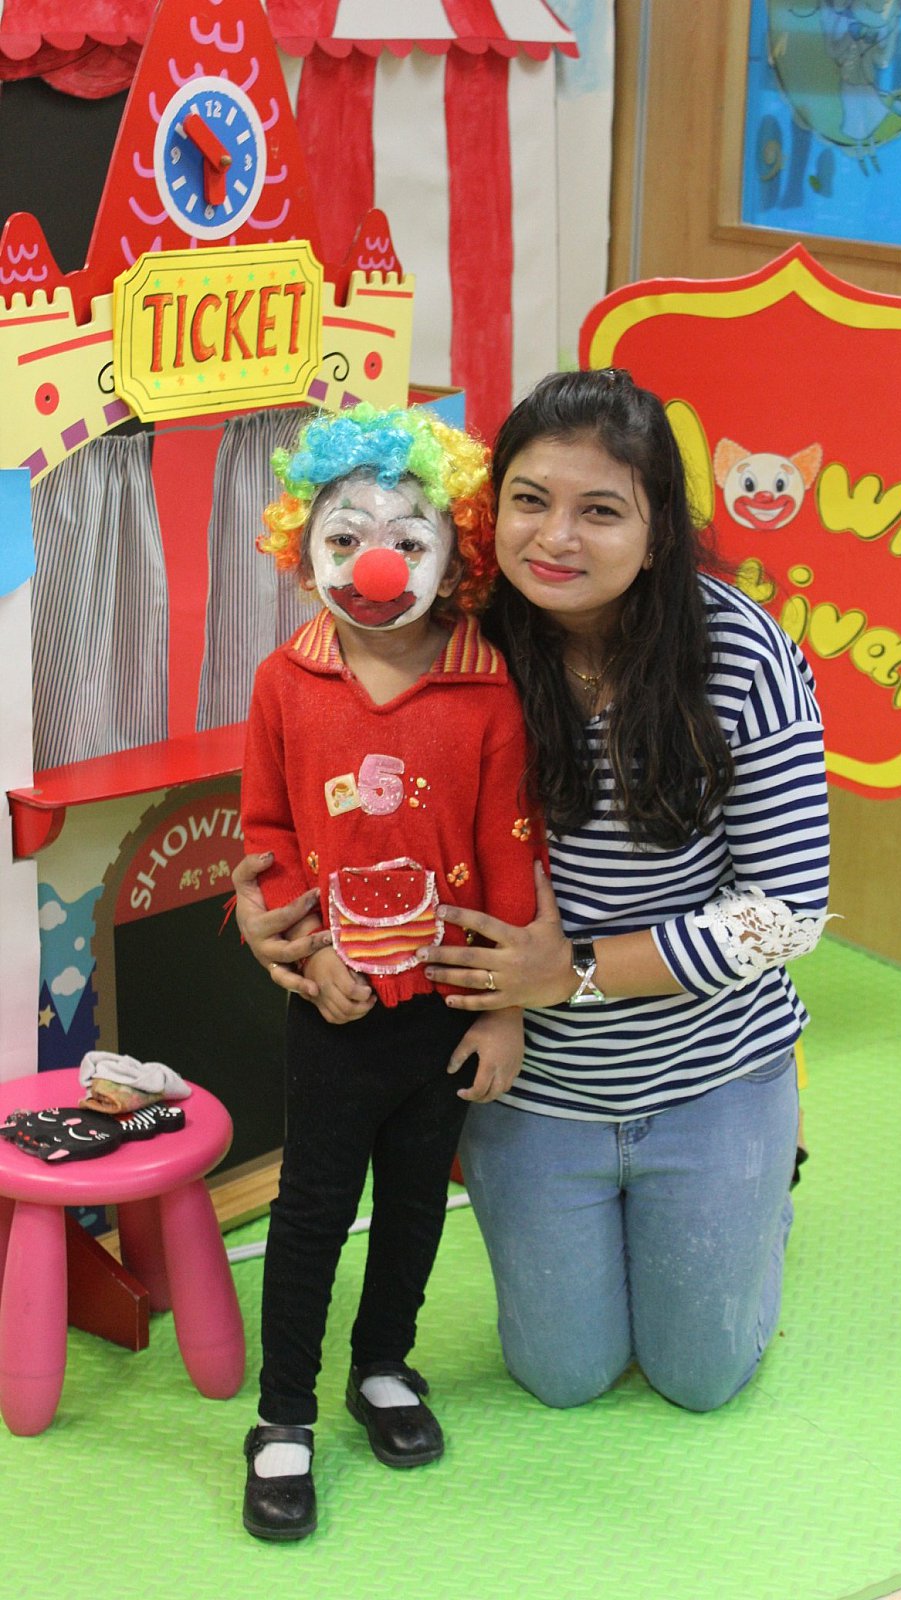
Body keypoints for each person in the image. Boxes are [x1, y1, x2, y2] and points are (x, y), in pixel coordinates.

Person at [233, 368, 829, 1427]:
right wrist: (268, 916)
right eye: (528, 500)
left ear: (658, 530)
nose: (555, 537)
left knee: (700, 1376)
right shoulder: (454, 635)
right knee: (563, 1373)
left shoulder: (739, 653)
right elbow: (326, 797)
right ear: (487, 508)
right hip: (529, 1084)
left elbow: (786, 911)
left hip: (709, 1071)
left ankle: (758, 1169)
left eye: (599, 510)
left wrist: (574, 974)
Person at [238, 404, 541, 1542]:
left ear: (457, 556)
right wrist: (312, 954)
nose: (376, 561)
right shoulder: (283, 680)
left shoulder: (490, 689)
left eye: (409, 540)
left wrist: (503, 1011)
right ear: (302, 546)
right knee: (311, 1211)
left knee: (416, 1202)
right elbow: (266, 833)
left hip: (445, 1003)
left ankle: (382, 1365)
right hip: (333, 1008)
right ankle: (282, 1415)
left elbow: (511, 851)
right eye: (346, 536)